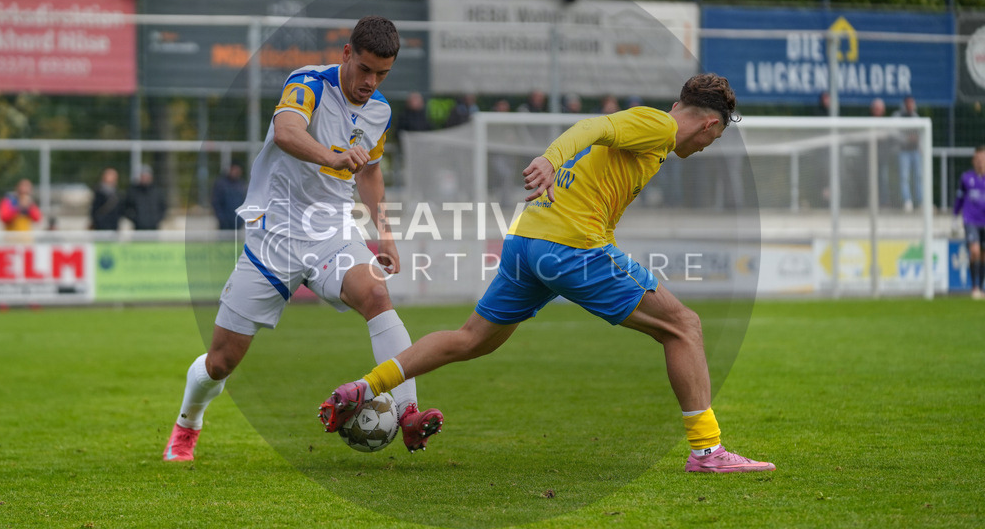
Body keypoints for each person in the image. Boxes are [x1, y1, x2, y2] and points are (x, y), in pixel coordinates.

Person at [319, 73, 776, 473]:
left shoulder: (655, 139)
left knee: (470, 339)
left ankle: (364, 387)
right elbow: (593, 124)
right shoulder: (659, 125)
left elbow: (599, 167)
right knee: (684, 326)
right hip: (570, 246)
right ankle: (706, 449)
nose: (701, 147)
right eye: (709, 140)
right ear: (709, 124)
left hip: (528, 240)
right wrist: (550, 161)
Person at [163, 16, 442, 462]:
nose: (371, 82)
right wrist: (332, 157)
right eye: (365, 69)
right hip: (275, 234)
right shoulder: (308, 83)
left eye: (382, 74)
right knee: (221, 361)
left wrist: (384, 234)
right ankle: (187, 424)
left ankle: (408, 412)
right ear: (347, 53)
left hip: (333, 231)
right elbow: (286, 131)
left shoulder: (380, 110)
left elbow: (369, 171)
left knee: (375, 293)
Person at [953, 146, 985, 299]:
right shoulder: (966, 178)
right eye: (977, 160)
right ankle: (975, 287)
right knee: (975, 252)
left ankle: (981, 287)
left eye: (983, 159)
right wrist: (954, 218)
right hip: (971, 220)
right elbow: (959, 199)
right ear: (973, 161)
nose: (980, 163)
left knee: (983, 255)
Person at [892, 95, 922, 213]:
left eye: (912, 103)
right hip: (903, 151)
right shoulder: (898, 117)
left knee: (918, 177)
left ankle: (920, 202)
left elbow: (921, 133)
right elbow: (893, 133)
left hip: (915, 152)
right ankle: (907, 201)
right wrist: (906, 139)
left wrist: (919, 144)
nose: (910, 105)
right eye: (908, 103)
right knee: (904, 177)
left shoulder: (916, 117)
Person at [124, 165, 166, 230]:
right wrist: (136, 219)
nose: (145, 178)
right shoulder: (133, 191)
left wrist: (156, 219)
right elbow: (126, 208)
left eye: (147, 176)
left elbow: (163, 208)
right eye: (143, 176)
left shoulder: (157, 191)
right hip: (138, 227)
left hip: (154, 227)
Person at [211, 163, 247, 230]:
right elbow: (216, 203)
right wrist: (221, 219)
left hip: (237, 222)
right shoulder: (221, 184)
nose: (236, 172)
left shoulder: (241, 184)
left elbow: (244, 202)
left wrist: (241, 219)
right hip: (224, 223)